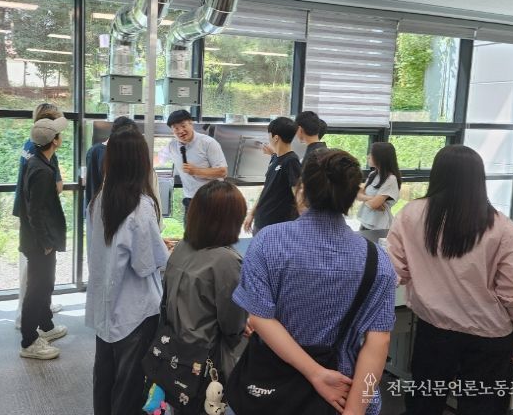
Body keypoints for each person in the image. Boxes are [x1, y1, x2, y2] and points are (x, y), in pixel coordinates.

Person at [234, 149, 397, 414]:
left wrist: (315, 373)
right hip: (342, 392)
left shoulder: (268, 241)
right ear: (352, 197)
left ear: (301, 189)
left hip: (271, 387)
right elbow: (379, 343)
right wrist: (356, 410)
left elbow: (260, 318)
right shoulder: (376, 259)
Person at [386, 145, 513, 415]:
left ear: (437, 174)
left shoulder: (411, 215)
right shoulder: (501, 226)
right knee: (483, 406)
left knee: (424, 403)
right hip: (489, 336)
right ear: (478, 179)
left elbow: (395, 271)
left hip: (434, 330)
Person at [86, 127, 169, 415]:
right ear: (140, 162)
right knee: (130, 386)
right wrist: (166, 250)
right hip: (135, 310)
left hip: (106, 305)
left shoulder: (99, 199)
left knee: (105, 377)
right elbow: (147, 263)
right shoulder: (141, 206)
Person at [163, 180, 248, 388]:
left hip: (173, 349)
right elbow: (233, 325)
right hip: (206, 360)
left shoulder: (182, 247)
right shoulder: (226, 261)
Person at [17, 117, 69, 360]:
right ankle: (29, 341)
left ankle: (43, 328)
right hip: (39, 242)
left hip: (39, 240)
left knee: (44, 285)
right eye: (59, 133)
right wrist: (46, 242)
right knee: (37, 289)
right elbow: (35, 212)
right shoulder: (41, 171)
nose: (61, 136)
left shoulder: (38, 162)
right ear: (54, 141)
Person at [13, 103, 64, 328]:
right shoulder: (44, 156)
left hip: (25, 210)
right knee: (37, 274)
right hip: (36, 216)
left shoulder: (29, 143)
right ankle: (27, 318)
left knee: (32, 269)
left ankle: (40, 313)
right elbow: (57, 187)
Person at [165, 109, 228, 222]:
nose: (180, 131)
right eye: (176, 128)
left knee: (213, 232)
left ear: (191, 123)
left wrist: (196, 171)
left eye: (183, 126)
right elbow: (160, 158)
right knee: (190, 231)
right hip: (190, 200)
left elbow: (222, 172)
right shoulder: (172, 146)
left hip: (213, 199)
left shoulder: (208, 143)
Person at [243, 117, 302, 235]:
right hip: (262, 221)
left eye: (269, 135)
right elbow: (267, 189)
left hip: (276, 225)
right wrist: (251, 214)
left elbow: (298, 195)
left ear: (276, 138)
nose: (268, 138)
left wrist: (304, 225)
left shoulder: (291, 161)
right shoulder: (275, 158)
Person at [357, 142, 401, 231]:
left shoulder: (391, 179)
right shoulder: (373, 174)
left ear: (380, 157)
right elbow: (358, 195)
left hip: (379, 226)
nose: (368, 157)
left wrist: (367, 199)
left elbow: (373, 204)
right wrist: (373, 199)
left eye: (371, 154)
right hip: (365, 221)